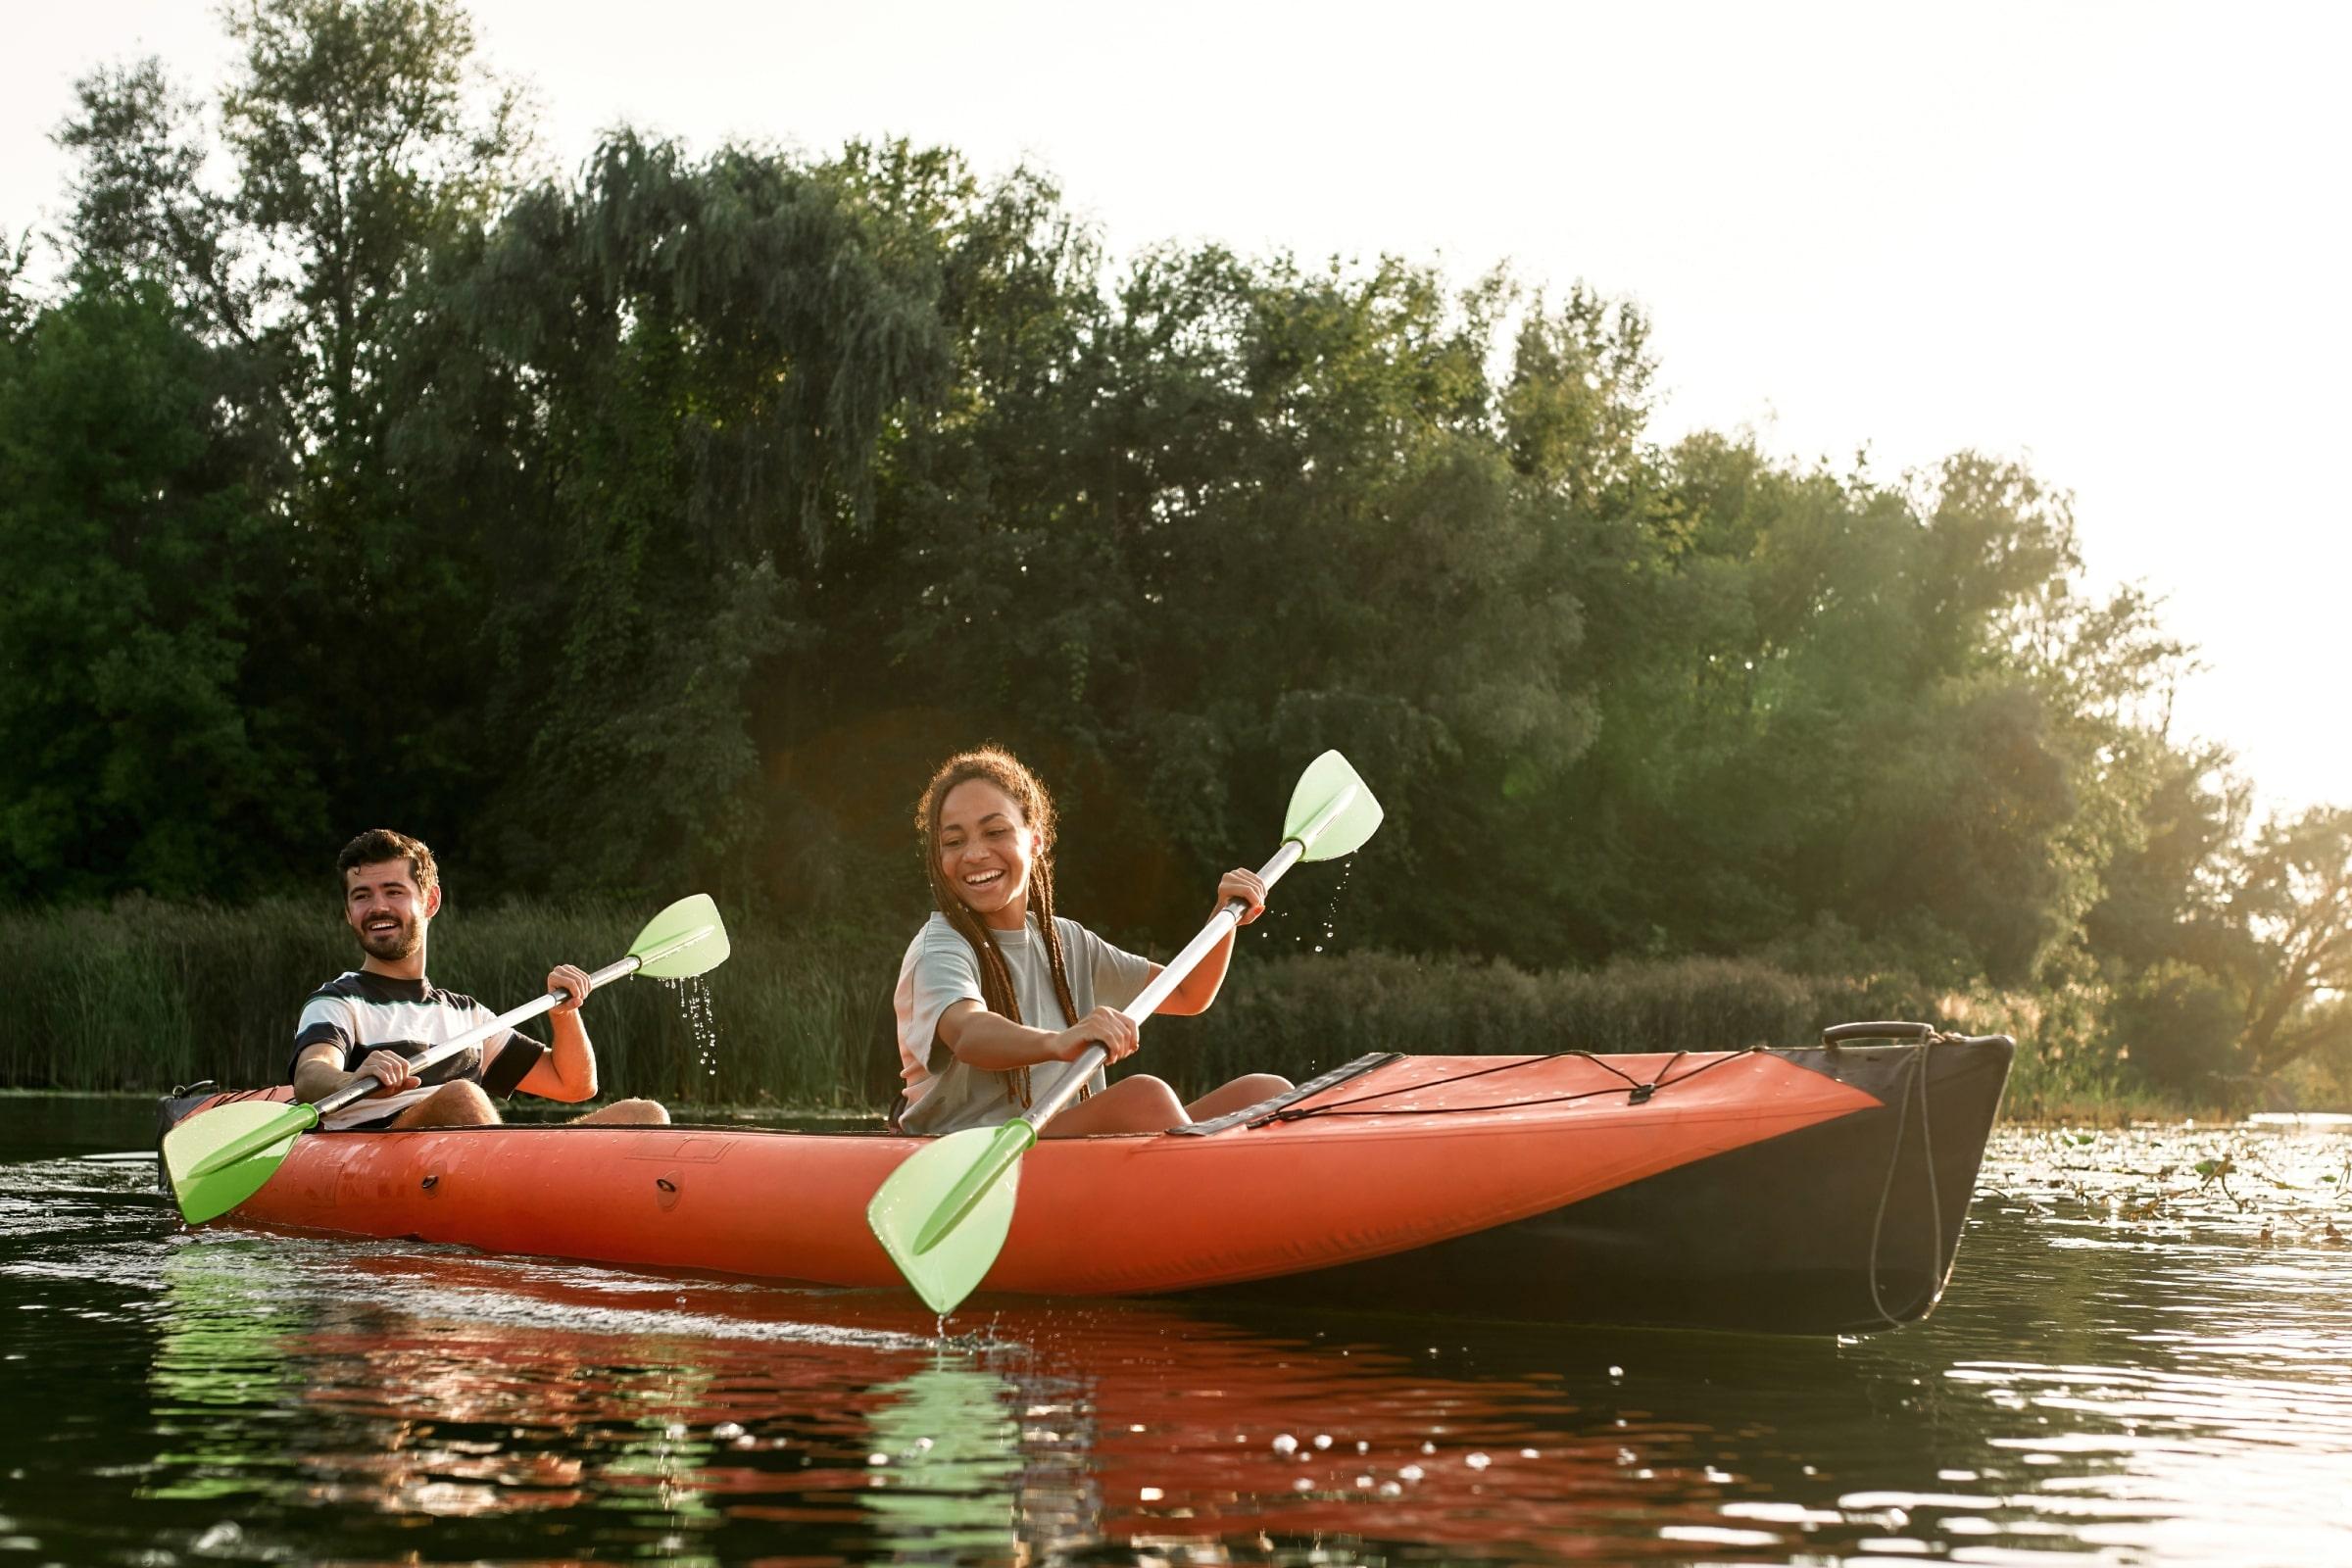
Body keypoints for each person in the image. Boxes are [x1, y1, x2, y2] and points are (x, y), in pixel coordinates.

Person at [893, 747, 1292, 1136]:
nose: (975, 853)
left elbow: (1188, 993)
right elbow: (967, 1033)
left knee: (1267, 1093)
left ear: (1035, 839)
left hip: (1065, 1144)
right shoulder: (940, 948)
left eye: (995, 832)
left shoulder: (1066, 942)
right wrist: (1060, 1042)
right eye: (954, 841)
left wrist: (1224, 918)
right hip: (979, 1144)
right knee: (1143, 1099)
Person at [289, 828, 669, 1131]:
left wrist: (565, 1013)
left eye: (393, 891)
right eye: (362, 896)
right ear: (348, 912)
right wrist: (353, 1080)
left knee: (645, 1115)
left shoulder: (468, 1015)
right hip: (384, 1165)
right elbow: (310, 1075)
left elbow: (574, 1085)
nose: (378, 907)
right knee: (462, 1098)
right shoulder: (337, 1001)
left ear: (430, 901)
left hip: (478, 1165)